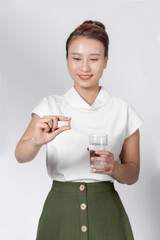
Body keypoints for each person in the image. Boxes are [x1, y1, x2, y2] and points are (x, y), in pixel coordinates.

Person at [15, 20, 144, 240]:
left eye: (94, 59)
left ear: (105, 62)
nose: (84, 68)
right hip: (60, 215)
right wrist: (37, 141)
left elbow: (133, 174)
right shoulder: (50, 106)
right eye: (76, 58)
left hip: (107, 216)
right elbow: (20, 155)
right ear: (67, 60)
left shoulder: (123, 111)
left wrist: (114, 168)